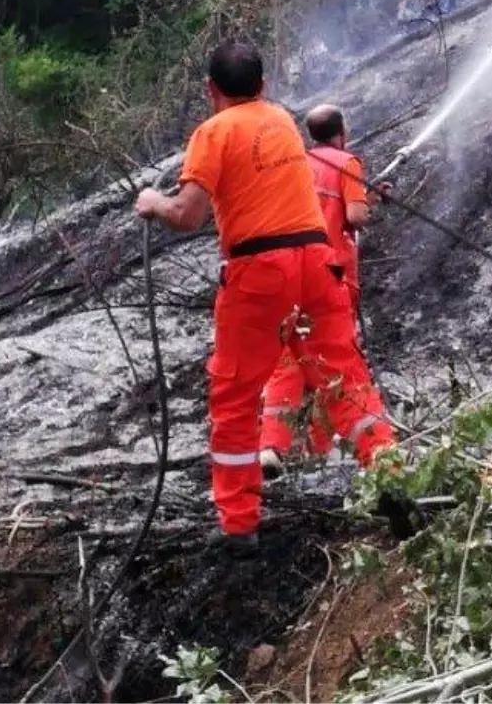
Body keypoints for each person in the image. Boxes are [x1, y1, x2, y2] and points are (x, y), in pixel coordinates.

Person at [135, 41, 400, 557]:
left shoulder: (213, 132)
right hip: (319, 262)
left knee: (234, 392)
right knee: (343, 375)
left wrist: (154, 203)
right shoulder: (281, 120)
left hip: (260, 268)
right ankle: (391, 479)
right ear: (263, 86)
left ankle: (239, 524)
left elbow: (188, 215)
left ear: (211, 91)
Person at [258, 104, 389, 478]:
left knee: (289, 360)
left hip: (286, 277)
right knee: (337, 363)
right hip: (329, 277)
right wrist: (367, 202)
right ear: (341, 131)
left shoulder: (294, 164)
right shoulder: (346, 162)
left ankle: (271, 447)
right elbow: (355, 217)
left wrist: (369, 194)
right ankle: (365, 453)